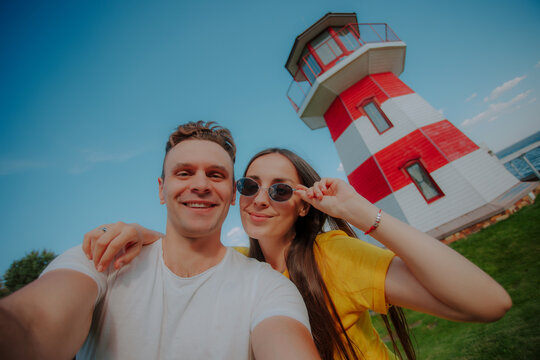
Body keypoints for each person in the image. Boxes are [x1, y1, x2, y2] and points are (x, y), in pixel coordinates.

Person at [84, 148, 512, 360]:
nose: (260, 199)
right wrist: (143, 233)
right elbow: (187, 256)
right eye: (249, 186)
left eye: (281, 189)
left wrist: (363, 213)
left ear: (303, 203)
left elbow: (489, 304)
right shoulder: (240, 267)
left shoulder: (332, 255)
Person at [0, 122, 320, 360]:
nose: (200, 184)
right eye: (184, 173)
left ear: (232, 193)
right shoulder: (102, 254)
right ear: (160, 188)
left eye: (216, 174)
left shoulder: (268, 286)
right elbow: (31, 326)